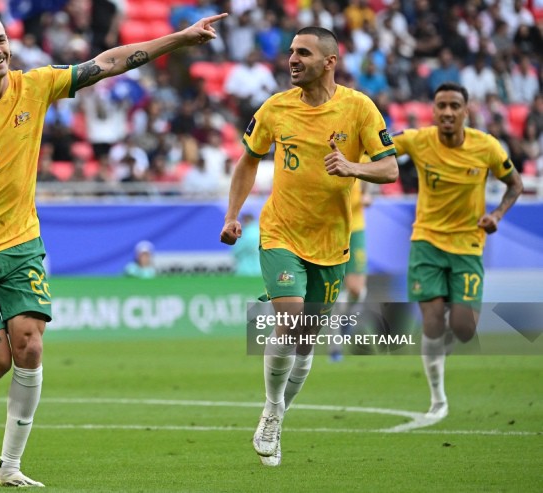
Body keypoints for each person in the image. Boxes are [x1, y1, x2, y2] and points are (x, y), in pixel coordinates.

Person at [0, 11, 227, 487]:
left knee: (29, 345)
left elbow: (108, 63)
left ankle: (9, 467)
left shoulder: (35, 86)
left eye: (1, 40)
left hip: (22, 243)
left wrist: (179, 39)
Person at [220, 26, 398, 467]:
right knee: (291, 318)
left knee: (305, 342)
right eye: (291, 52)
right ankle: (272, 411)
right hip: (280, 232)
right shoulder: (275, 109)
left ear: (330, 61)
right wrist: (232, 215)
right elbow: (247, 161)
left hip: (333, 243)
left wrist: (353, 167)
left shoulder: (359, 108)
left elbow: (391, 169)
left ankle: (278, 410)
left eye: (304, 53)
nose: (292, 59)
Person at [392, 82, 523, 421]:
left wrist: (496, 215)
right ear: (432, 111)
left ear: (466, 111)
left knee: (464, 330)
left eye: (454, 106)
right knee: (433, 323)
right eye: (441, 106)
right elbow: (378, 147)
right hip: (426, 242)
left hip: (468, 245)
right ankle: (438, 399)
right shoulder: (417, 140)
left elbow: (515, 184)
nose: (447, 112)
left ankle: (450, 332)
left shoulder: (487, 146)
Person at [330, 177, 371, 362]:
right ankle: (335, 347)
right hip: (330, 229)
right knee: (332, 290)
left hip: (355, 229)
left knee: (356, 290)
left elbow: (369, 176)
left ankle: (346, 319)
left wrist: (367, 194)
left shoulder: (363, 154)